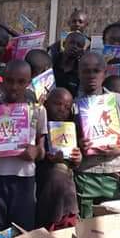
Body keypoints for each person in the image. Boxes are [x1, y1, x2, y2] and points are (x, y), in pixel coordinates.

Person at [0, 60, 47, 233]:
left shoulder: (38, 110)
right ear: (2, 80)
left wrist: (35, 152)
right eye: (9, 81)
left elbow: (42, 150)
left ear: (29, 82)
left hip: (24, 179)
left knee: (22, 232)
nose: (14, 87)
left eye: (21, 82)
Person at [74, 52, 120, 218]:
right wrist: (78, 143)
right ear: (78, 73)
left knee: (110, 220)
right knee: (86, 221)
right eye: (86, 71)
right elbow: (68, 139)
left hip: (114, 171)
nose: (91, 75)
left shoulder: (119, 101)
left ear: (104, 73)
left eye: (96, 71)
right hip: (86, 172)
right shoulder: (74, 105)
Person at [36, 87, 81, 230]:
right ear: (46, 104)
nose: (62, 109)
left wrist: (77, 158)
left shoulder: (70, 129)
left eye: (67, 107)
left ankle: (64, 220)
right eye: (57, 104)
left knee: (60, 171)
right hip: (42, 178)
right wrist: (45, 157)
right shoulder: (37, 124)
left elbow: (75, 161)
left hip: (63, 182)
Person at [52, 31, 87, 95]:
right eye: (71, 42)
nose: (74, 47)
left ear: (82, 51)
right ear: (64, 44)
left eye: (79, 45)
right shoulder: (51, 63)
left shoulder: (80, 72)